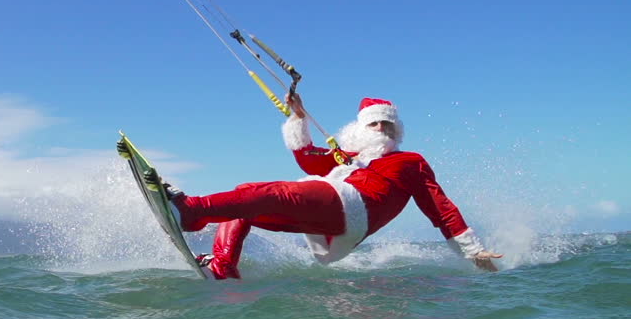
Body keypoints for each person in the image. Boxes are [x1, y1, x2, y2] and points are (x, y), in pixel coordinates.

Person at [168, 94, 502, 279]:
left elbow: (438, 205)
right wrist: (298, 116)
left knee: (273, 193)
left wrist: (472, 249)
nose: (382, 128)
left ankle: (192, 212)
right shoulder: (349, 158)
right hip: (332, 217)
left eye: (388, 124)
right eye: (375, 123)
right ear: (362, 127)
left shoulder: (409, 161)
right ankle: (223, 267)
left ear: (396, 130)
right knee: (246, 195)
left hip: (355, 208)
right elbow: (306, 158)